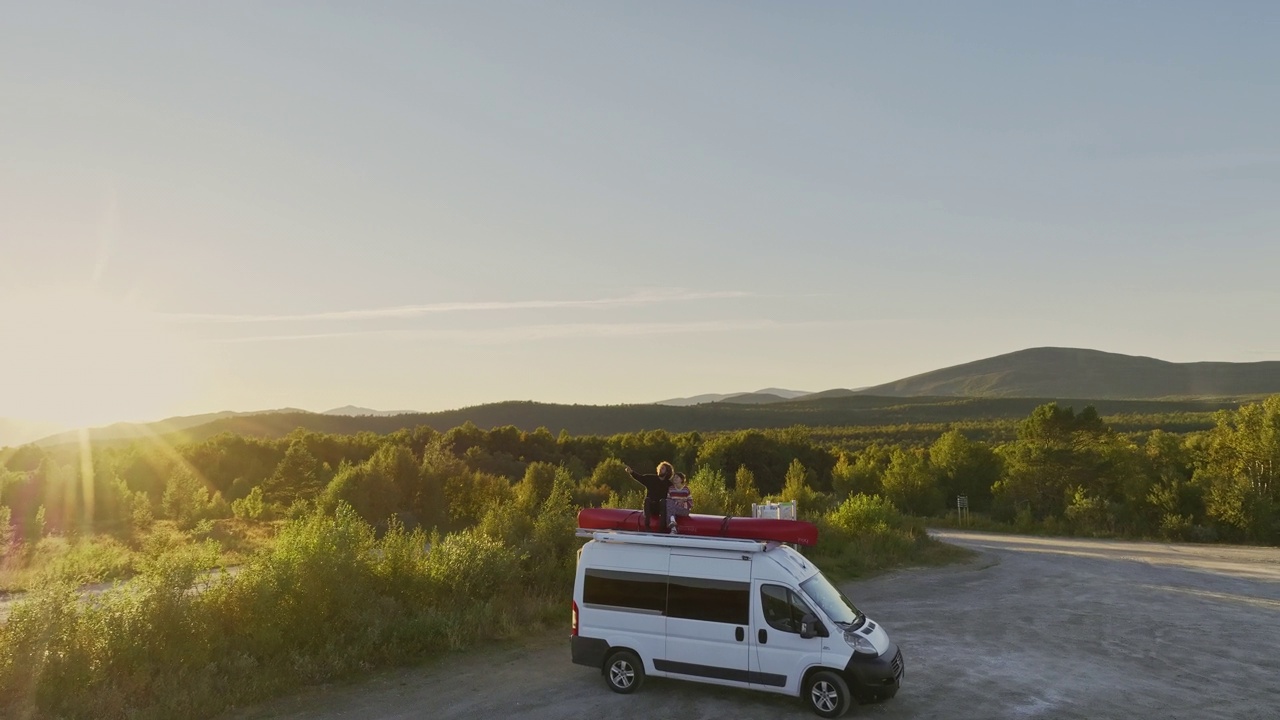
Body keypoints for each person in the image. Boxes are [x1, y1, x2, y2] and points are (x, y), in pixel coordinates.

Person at [625, 461, 674, 532]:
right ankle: (647, 526)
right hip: (650, 507)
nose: (660, 470)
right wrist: (631, 472)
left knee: (664, 501)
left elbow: (674, 495)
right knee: (647, 500)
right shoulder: (651, 479)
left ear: (667, 472)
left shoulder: (669, 484)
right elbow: (640, 478)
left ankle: (662, 528)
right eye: (660, 468)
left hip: (661, 508)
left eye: (663, 468)